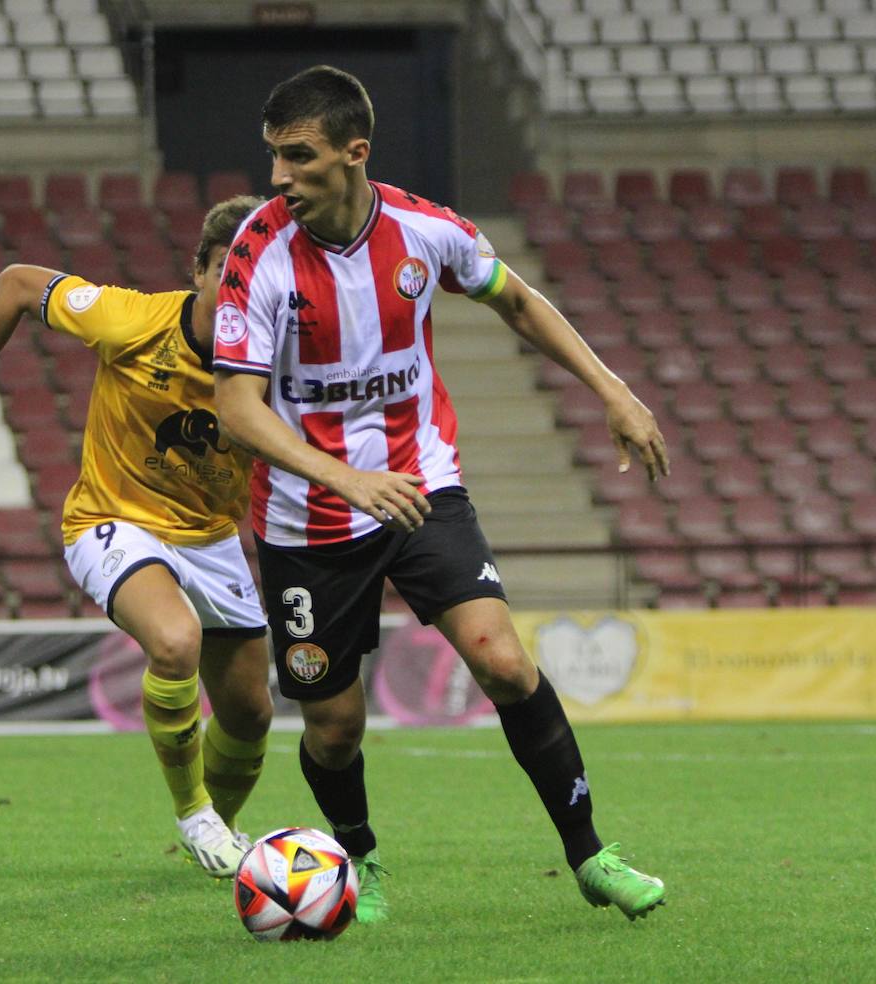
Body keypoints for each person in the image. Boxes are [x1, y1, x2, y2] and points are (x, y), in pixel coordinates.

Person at [212, 66, 671, 923]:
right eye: (272, 157)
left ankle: (592, 855)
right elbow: (235, 405)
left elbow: (519, 302)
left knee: (502, 659)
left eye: (298, 157)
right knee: (333, 726)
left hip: (422, 486)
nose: (278, 178)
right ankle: (359, 860)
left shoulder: (429, 232)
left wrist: (613, 390)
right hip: (305, 518)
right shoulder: (259, 252)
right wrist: (344, 476)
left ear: (355, 153)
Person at [0, 196, 273, 878]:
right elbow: (15, 283)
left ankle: (218, 830)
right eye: (225, 269)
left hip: (212, 538)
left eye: (253, 269)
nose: (238, 284)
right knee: (175, 641)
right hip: (112, 518)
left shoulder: (279, 355)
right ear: (199, 270)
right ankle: (195, 815)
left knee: (250, 713)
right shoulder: (135, 319)